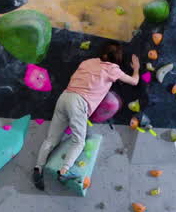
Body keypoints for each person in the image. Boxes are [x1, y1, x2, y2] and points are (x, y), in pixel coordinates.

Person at [33, 44, 139, 190]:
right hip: (79, 103)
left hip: (64, 97)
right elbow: (134, 81)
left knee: (51, 139)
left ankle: (38, 168)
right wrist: (136, 69)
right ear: (117, 59)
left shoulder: (87, 62)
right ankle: (64, 171)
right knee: (79, 142)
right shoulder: (112, 69)